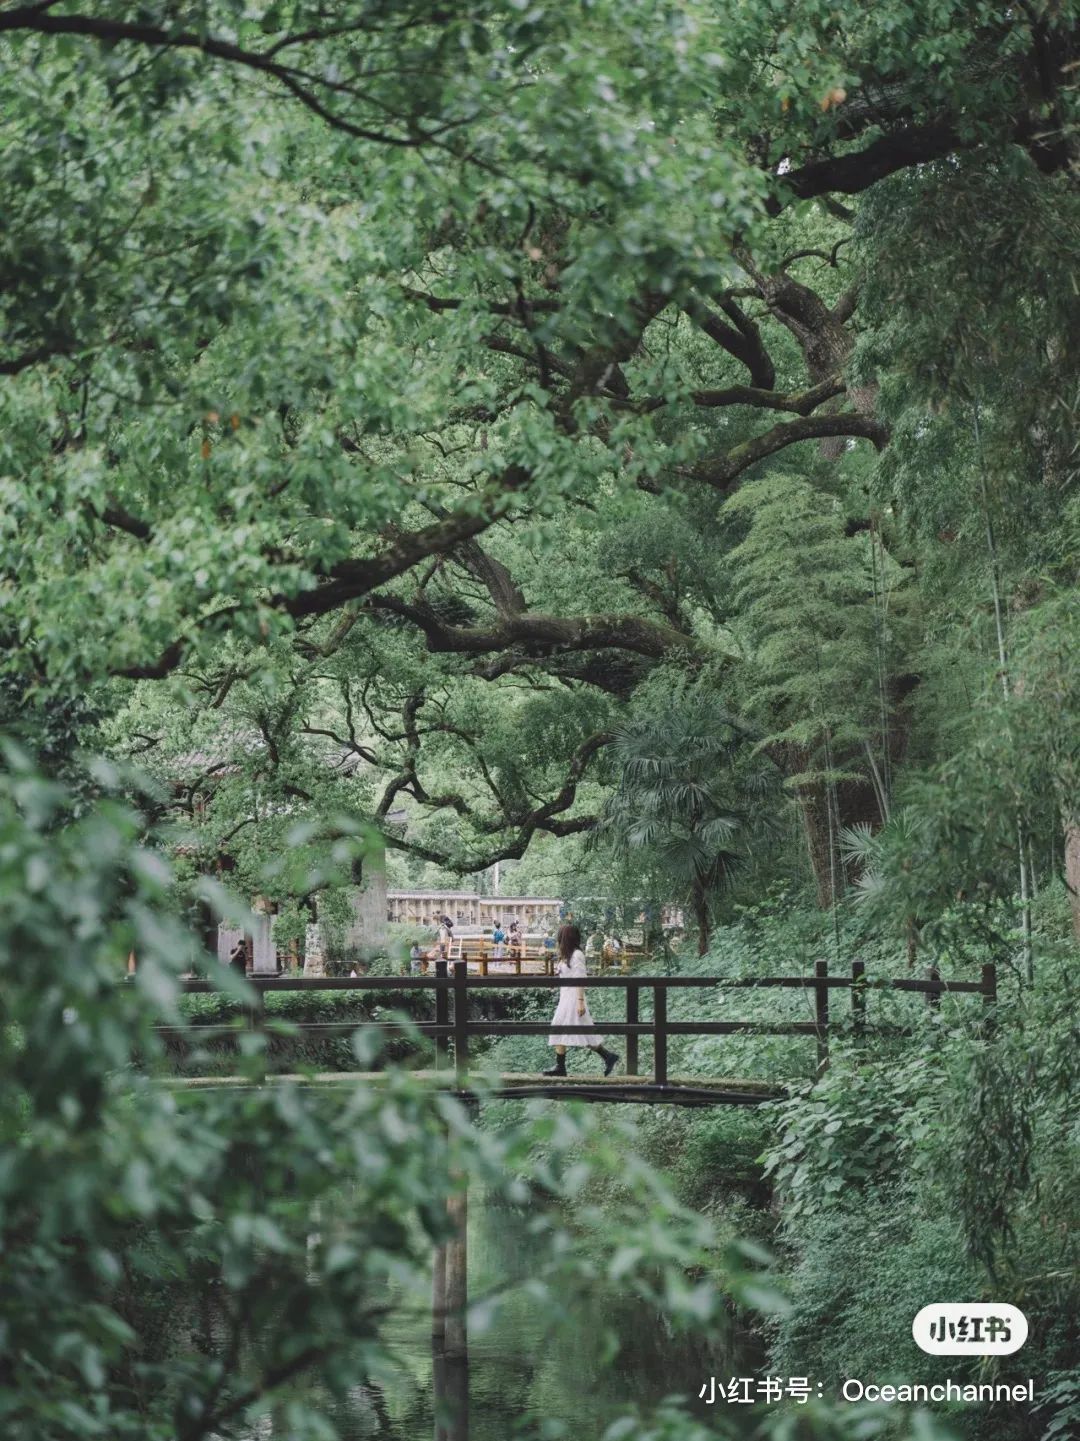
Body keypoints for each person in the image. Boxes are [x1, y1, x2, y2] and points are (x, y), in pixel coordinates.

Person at [542, 923, 619, 1077]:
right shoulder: (567, 955)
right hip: (566, 997)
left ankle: (562, 1066)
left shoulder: (577, 955)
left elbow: (580, 978)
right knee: (572, 1029)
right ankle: (607, 1056)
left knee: (567, 1028)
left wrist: (580, 1001)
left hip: (573, 998)